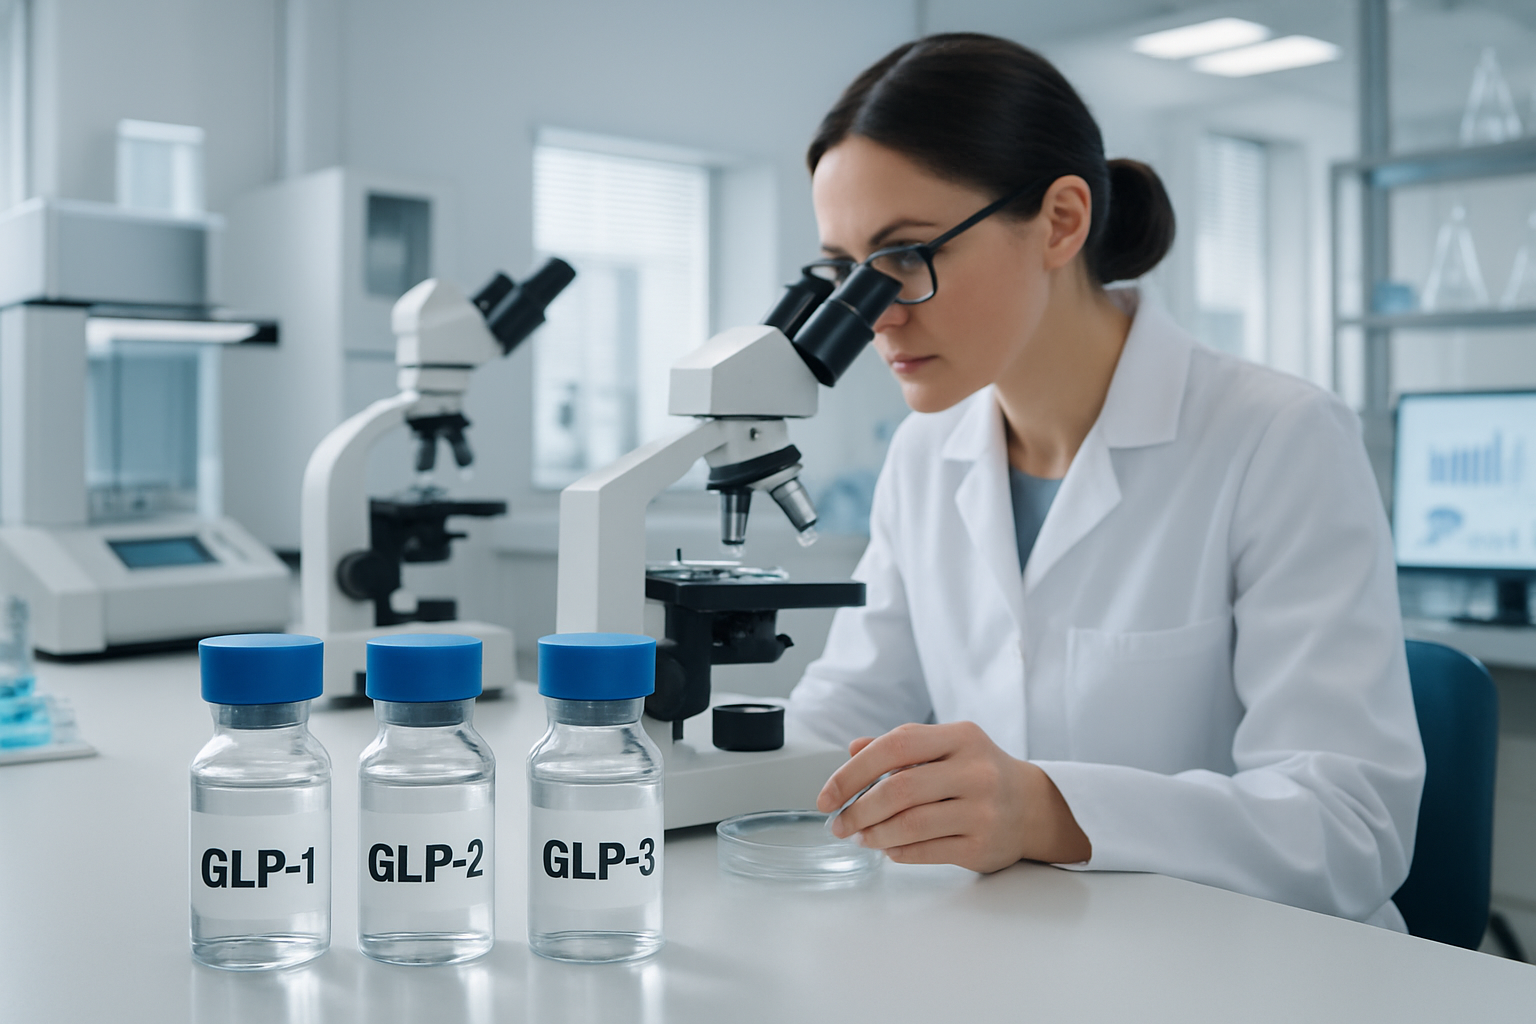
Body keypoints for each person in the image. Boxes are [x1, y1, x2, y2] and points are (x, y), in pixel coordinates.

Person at [784, 33, 1425, 931]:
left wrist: (1044, 808)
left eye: (906, 255)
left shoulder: (1276, 436)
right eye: (844, 272)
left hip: (1256, 969)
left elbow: (1351, 826)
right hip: (1026, 952)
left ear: (1060, 221)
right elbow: (847, 713)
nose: (874, 314)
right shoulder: (926, 454)